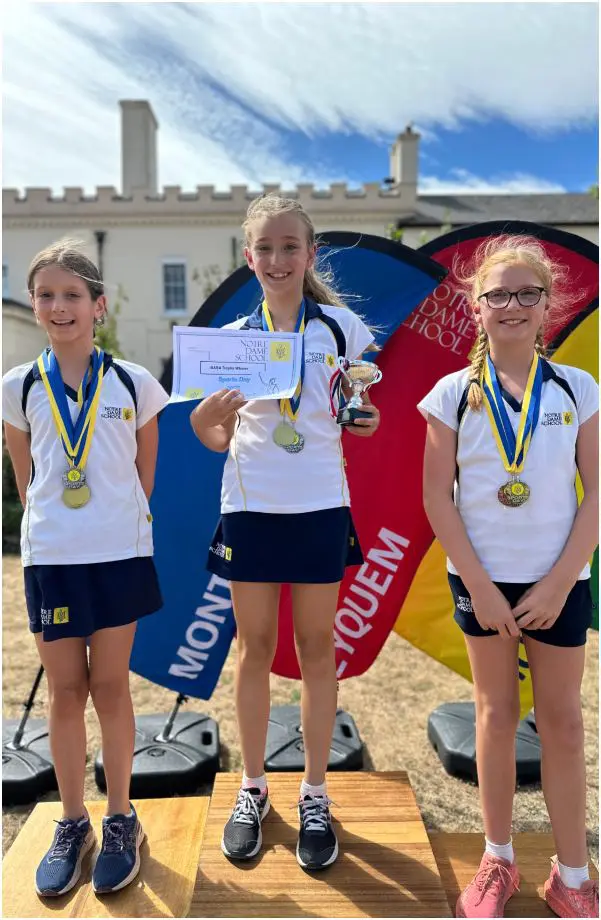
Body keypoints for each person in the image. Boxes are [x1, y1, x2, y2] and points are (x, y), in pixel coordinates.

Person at [190, 194, 380, 870]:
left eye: (288, 246)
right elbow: (213, 438)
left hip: (320, 506)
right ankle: (252, 788)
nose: (276, 259)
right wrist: (204, 420)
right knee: (255, 649)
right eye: (264, 249)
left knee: (316, 647)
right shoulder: (235, 339)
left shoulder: (342, 329)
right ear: (249, 258)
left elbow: (361, 408)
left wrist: (365, 421)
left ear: (310, 253)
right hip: (250, 506)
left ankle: (316, 794)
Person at [420, 236, 600, 918]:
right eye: (499, 295)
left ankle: (572, 874)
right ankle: (497, 860)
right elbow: (437, 498)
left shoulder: (576, 389)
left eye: (529, 293)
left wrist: (559, 583)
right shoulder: (450, 395)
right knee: (495, 717)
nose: (514, 306)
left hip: (560, 582)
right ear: (477, 306)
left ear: (548, 305)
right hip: (482, 584)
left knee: (563, 722)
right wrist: (484, 587)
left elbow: (590, 498)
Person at [2, 241, 170, 896]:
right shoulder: (17, 387)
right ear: (35, 304)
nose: (59, 306)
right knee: (64, 692)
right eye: (46, 294)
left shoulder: (135, 383)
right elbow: (29, 479)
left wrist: (107, 522)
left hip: (118, 556)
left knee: (112, 688)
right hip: (54, 561)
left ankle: (121, 817)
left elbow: (143, 476)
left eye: (73, 295)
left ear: (98, 306)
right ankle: (73, 822)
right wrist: (62, 525)